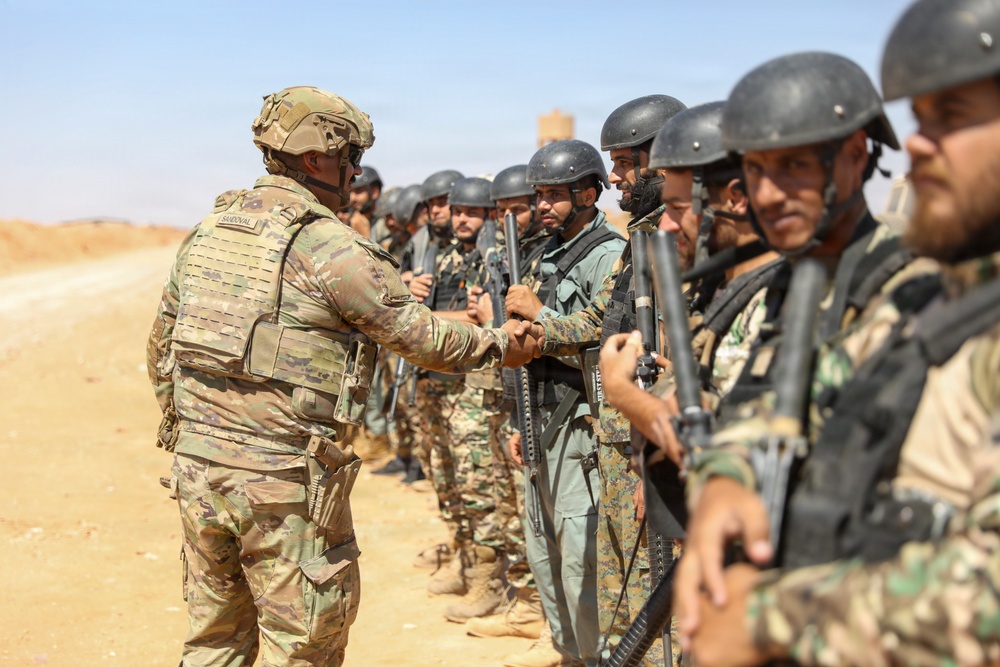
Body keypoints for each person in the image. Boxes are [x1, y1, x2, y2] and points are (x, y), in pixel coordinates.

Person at [146, 86, 538, 667]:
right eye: (349, 158)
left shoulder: (211, 231)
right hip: (282, 484)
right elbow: (421, 338)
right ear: (315, 159)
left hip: (199, 471)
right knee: (304, 646)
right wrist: (503, 343)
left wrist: (199, 433)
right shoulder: (329, 246)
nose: (355, 172)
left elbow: (161, 348)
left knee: (214, 640)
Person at [674, 2, 1000, 666]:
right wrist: (726, 476)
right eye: (921, 119)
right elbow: (792, 401)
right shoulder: (935, 305)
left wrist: (770, 617)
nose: (918, 144)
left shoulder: (904, 286)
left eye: (952, 115)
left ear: (853, 160)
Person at [510, 95, 687, 666]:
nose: (616, 179)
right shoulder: (640, 239)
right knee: (623, 593)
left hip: (650, 441)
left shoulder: (676, 241)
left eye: (626, 164)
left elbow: (678, 357)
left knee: (658, 603)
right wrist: (537, 332)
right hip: (616, 439)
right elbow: (599, 322)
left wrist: (654, 456)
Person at [599, 101, 781, 468]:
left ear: (736, 199)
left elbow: (731, 454)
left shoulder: (780, 301)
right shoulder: (723, 290)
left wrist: (621, 391)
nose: (666, 226)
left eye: (678, 209)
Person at [504, 139, 627, 667]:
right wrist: (518, 419)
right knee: (542, 548)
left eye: (555, 194)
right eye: (540, 195)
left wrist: (541, 314)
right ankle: (569, 653)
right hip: (538, 417)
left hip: (578, 424)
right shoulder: (543, 253)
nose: (543, 205)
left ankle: (596, 656)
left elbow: (606, 345)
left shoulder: (609, 255)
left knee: (581, 556)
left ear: (588, 193)